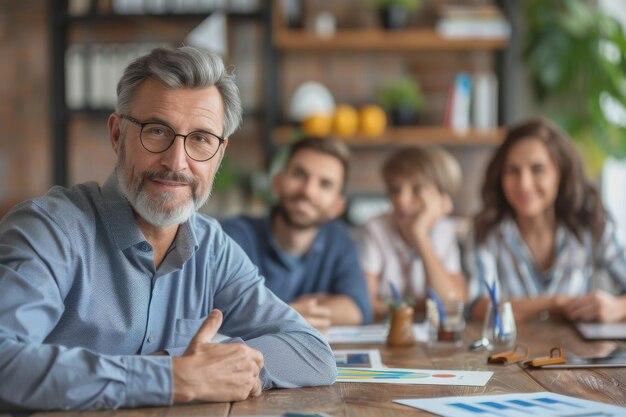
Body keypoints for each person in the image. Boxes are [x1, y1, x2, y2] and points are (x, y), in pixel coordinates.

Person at [0, 46, 336, 412]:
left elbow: (312, 352)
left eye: (201, 139)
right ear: (117, 135)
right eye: (157, 131)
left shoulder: (212, 247)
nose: (177, 162)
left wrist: (195, 366)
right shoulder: (48, 230)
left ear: (219, 154)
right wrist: (174, 376)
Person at [466, 118, 626, 323]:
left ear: (561, 173)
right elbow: (478, 307)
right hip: (511, 353)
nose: (524, 184)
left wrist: (617, 308)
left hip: (579, 353)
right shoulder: (485, 230)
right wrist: (554, 303)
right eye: (513, 170)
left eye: (537, 169)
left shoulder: (593, 223)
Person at [222, 137, 372, 332]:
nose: (308, 190)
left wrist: (277, 313)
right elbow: (221, 310)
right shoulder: (235, 236)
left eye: (325, 184)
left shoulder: (339, 239)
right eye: (299, 175)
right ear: (277, 182)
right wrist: (291, 314)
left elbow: (358, 309)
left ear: (338, 206)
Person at [356, 146, 466, 319]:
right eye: (395, 190)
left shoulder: (445, 230)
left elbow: (451, 308)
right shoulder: (375, 229)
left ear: (441, 198)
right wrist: (422, 305)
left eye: (417, 189)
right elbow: (367, 305)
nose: (401, 199)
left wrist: (420, 234)